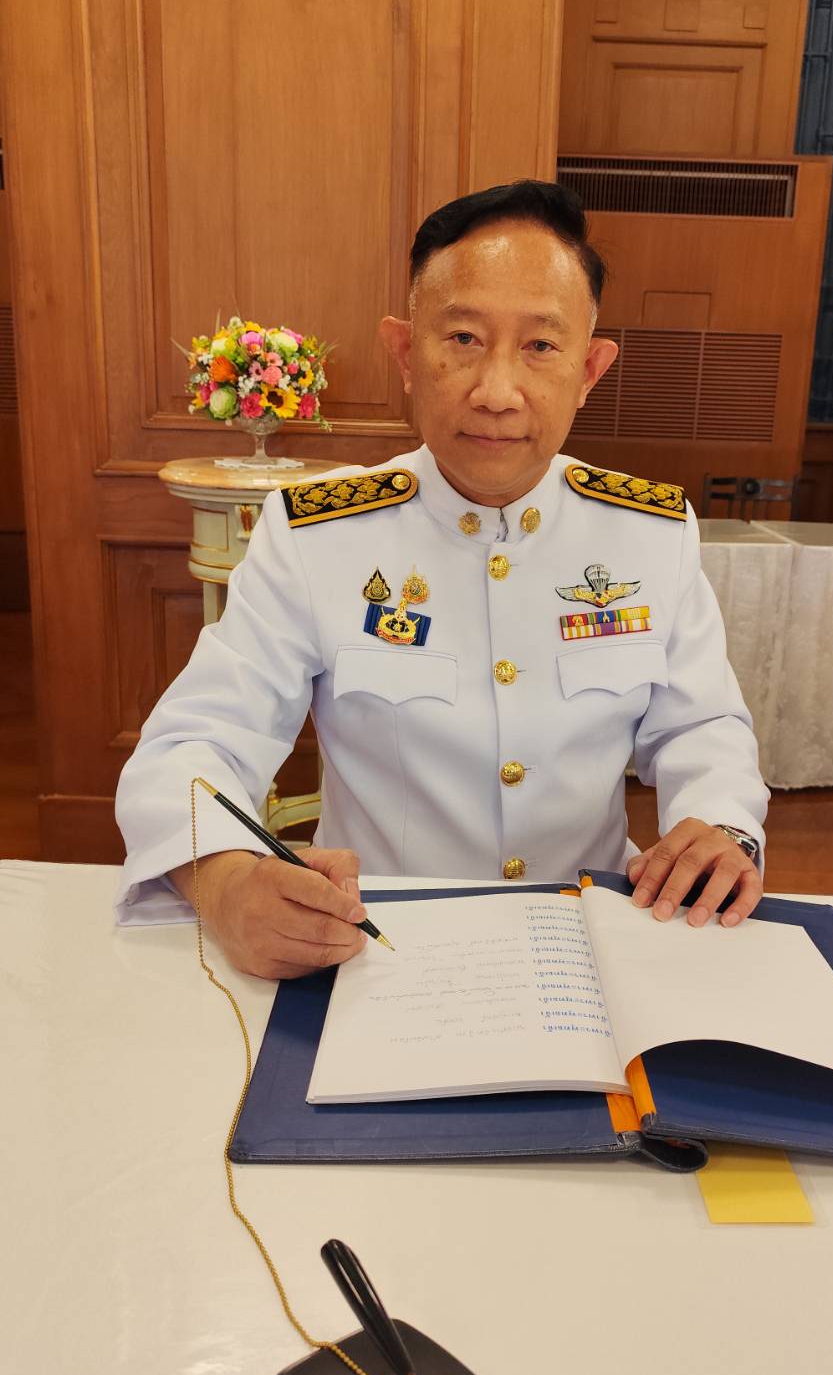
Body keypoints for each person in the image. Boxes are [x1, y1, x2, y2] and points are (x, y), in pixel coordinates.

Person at [115, 180, 768, 978]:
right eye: (462, 338)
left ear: (590, 370)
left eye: (541, 346)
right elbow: (197, 741)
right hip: (379, 950)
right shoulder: (318, 534)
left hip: (590, 941)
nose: (496, 394)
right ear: (404, 354)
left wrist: (721, 824)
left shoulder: (649, 532)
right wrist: (222, 883)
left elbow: (702, 726)